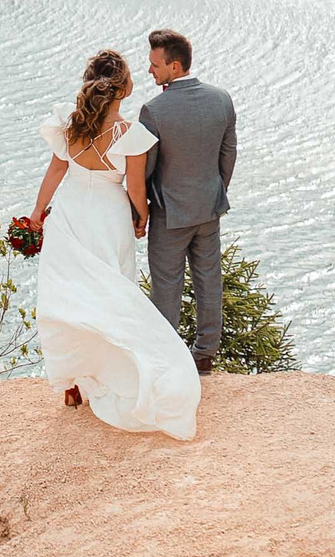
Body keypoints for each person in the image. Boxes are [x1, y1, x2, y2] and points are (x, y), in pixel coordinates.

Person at [25, 50, 202, 439]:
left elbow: (55, 171)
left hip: (69, 215)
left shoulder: (69, 126)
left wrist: (38, 214)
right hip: (108, 219)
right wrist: (143, 216)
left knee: (64, 299)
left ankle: (70, 383)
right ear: (125, 88)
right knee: (113, 296)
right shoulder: (129, 135)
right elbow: (136, 188)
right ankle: (117, 373)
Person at [138, 28, 238, 374]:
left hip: (170, 214)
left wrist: (143, 212)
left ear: (175, 66)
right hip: (209, 208)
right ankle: (205, 354)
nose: (149, 70)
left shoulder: (153, 111)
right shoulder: (221, 99)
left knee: (167, 285)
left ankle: (167, 357)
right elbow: (228, 154)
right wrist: (215, 191)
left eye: (155, 64)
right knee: (209, 279)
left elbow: (146, 170)